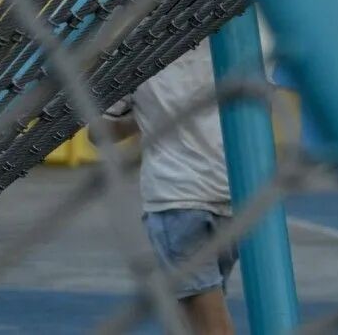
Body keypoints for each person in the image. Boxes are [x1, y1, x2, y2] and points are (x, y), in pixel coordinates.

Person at [99, 42, 237, 335]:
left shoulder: (141, 51)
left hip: (177, 196)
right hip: (229, 193)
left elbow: (100, 132)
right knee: (204, 319)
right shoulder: (242, 41)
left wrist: (147, 117)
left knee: (204, 323)